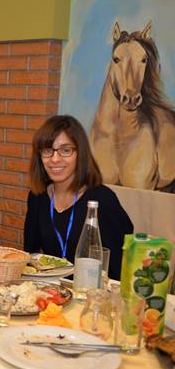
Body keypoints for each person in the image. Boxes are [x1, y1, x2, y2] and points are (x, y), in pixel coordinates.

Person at [23, 115, 133, 280]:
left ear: (80, 154)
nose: (54, 159)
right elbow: (29, 255)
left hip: (90, 296)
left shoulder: (102, 200)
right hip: (50, 294)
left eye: (65, 150)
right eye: (47, 151)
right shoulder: (38, 197)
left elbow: (119, 268)